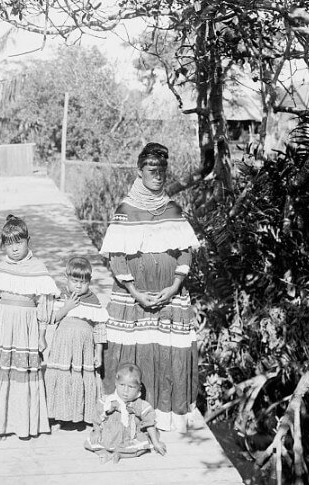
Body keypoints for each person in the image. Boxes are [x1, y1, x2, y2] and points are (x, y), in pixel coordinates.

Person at [99, 142, 201, 432]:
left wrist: (174, 287)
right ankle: (125, 413)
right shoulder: (126, 210)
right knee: (133, 351)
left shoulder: (173, 208)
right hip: (135, 298)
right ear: (140, 171)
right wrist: (135, 292)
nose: (158, 175)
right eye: (152, 170)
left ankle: (164, 415)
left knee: (167, 353)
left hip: (169, 297)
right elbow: (117, 256)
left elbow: (185, 251)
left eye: (162, 170)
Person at [0, 215, 60, 439]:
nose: (15, 249)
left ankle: (22, 422)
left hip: (26, 328)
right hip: (2, 327)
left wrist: (42, 335)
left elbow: (44, 304)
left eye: (19, 242)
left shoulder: (38, 269)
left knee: (21, 371)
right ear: (3, 246)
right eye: (9, 244)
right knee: (1, 371)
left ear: (28, 241)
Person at [45, 256, 108, 427]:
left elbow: (100, 328)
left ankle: (84, 415)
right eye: (74, 281)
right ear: (67, 279)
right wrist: (67, 306)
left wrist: (98, 353)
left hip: (84, 348)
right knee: (62, 378)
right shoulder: (62, 296)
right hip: (63, 347)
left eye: (83, 282)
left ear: (90, 281)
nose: (79, 285)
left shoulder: (93, 301)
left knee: (81, 378)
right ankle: (58, 415)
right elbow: (52, 319)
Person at [84, 363, 167, 462]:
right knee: (92, 443)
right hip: (109, 435)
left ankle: (119, 454)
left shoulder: (140, 404)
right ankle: (104, 453)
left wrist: (156, 442)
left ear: (138, 388)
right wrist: (97, 431)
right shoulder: (107, 401)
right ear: (116, 383)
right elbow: (97, 418)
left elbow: (150, 423)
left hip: (129, 437)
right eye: (122, 385)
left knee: (142, 447)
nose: (125, 391)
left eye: (131, 387)